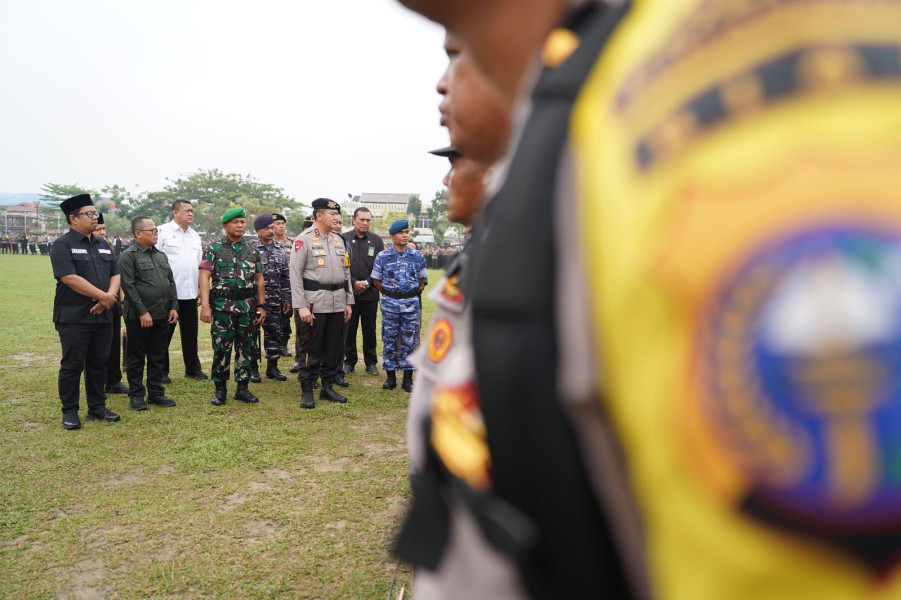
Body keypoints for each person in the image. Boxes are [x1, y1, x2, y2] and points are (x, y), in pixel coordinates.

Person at [49, 194, 121, 429]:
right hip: (74, 317)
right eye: (89, 214)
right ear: (73, 218)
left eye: (95, 213)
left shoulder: (103, 244)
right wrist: (104, 297)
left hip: (103, 315)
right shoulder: (63, 245)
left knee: (99, 363)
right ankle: (69, 411)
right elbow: (69, 278)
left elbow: (115, 273)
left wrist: (108, 298)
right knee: (72, 365)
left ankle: (97, 407)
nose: (94, 217)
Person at [289, 199, 353, 409]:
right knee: (311, 348)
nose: (337, 218)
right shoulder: (303, 240)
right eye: (332, 215)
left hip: (337, 302)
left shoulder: (338, 240)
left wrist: (348, 301)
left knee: (333, 348)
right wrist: (301, 306)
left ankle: (327, 387)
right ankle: (307, 389)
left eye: (338, 215)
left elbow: (346, 273)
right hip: (314, 303)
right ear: (319, 216)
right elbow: (295, 276)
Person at [199, 207, 266, 406]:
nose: (240, 226)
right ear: (225, 225)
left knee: (246, 348)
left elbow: (259, 280)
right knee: (221, 348)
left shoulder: (252, 249)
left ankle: (242, 389)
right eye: (235, 222)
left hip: (247, 307)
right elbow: (204, 277)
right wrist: (205, 306)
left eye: (242, 222)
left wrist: (262, 306)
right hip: (222, 307)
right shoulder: (214, 248)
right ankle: (220, 389)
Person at [117, 216, 179, 410]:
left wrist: (174, 306)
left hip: (162, 314)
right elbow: (129, 286)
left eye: (156, 231)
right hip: (139, 317)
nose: (156, 234)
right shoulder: (129, 256)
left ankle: (155, 393)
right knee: (136, 357)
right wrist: (142, 312)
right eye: (152, 231)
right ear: (138, 234)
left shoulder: (161, 255)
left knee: (158, 355)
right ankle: (136, 395)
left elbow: (170, 282)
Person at [371, 220, 427, 393]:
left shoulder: (417, 256)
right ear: (392, 236)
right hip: (390, 304)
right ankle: (390, 378)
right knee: (389, 339)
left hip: (411, 303)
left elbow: (422, 281)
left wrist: (407, 294)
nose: (405, 235)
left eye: (407, 232)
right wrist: (391, 294)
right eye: (401, 232)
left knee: (410, 340)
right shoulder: (383, 256)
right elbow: (376, 280)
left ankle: (408, 380)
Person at [156, 199, 207, 382]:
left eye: (192, 210)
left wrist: (201, 288)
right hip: (168, 293)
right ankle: (161, 371)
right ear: (175, 213)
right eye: (187, 210)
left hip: (190, 292)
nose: (191, 213)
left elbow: (199, 264)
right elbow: (154, 259)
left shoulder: (195, 236)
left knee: (190, 333)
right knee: (164, 333)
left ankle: (192, 368)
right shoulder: (162, 232)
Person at [341, 207, 384, 377]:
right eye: (362, 220)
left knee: (369, 329)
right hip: (349, 294)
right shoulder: (343, 239)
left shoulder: (376, 241)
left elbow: (379, 267)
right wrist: (353, 283)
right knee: (349, 329)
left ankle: (371, 362)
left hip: (370, 293)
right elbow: (341, 266)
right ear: (354, 220)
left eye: (368, 220)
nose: (366, 223)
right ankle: (349, 361)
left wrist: (366, 283)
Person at [250, 213, 292, 382]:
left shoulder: (280, 249)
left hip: (275, 300)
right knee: (252, 335)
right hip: (254, 301)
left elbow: (285, 276)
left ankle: (272, 368)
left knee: (274, 334)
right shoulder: (250, 249)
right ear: (257, 231)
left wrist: (287, 298)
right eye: (265, 228)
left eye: (271, 227)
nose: (270, 231)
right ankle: (252, 368)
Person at [92, 214, 130, 396]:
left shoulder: (107, 247)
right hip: (93, 304)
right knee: (96, 349)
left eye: (104, 229)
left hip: (113, 302)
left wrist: (118, 299)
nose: (102, 232)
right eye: (98, 229)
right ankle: (97, 384)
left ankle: (113, 381)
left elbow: (116, 275)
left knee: (114, 344)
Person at [272, 213, 294, 358]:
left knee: (286, 317)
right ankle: (273, 345)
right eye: (277, 223)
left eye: (282, 223)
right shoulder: (265, 242)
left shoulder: (292, 243)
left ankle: (283, 345)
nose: (281, 226)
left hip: (288, 286)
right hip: (271, 287)